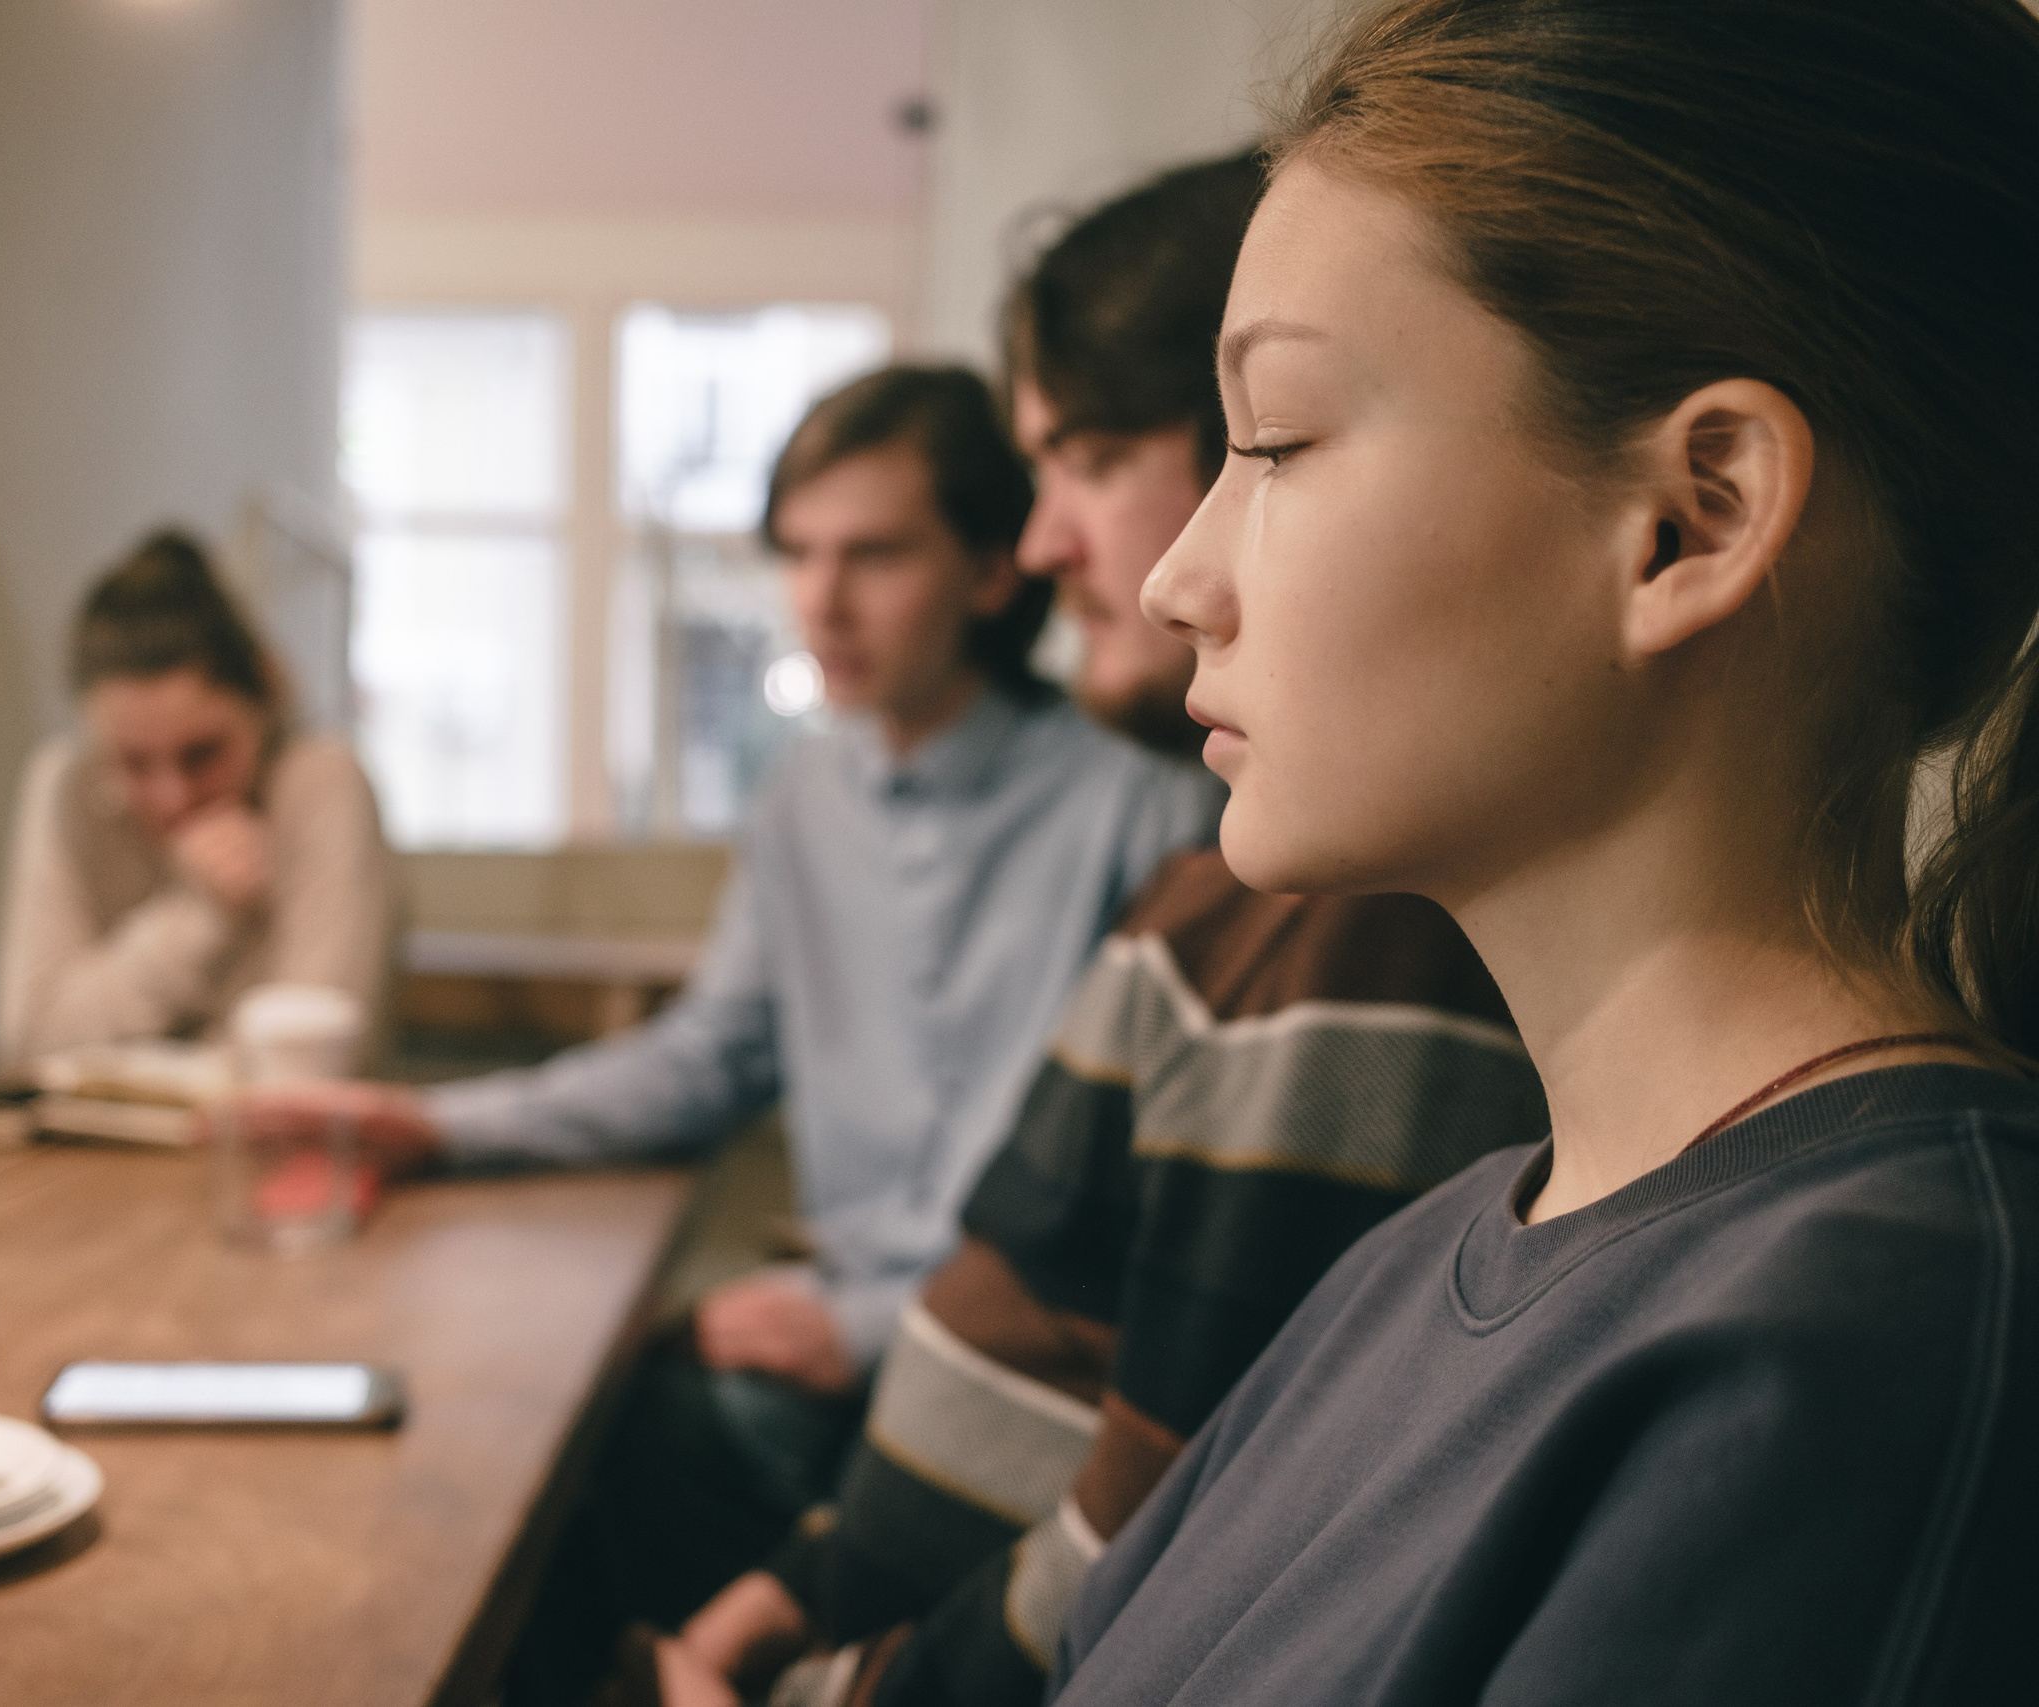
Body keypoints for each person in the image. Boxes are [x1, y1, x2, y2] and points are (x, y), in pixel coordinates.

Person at [1034, 2, 2039, 1702]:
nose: (1174, 580)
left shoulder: (1872, 1346)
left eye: (1275, 443)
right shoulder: (1417, 1261)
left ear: (1693, 517)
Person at [642, 156, 1546, 1707]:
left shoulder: (1316, 916)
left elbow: (1181, 1534)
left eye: (1270, 447)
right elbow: (1060, 1349)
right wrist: (808, 1580)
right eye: (794, 553)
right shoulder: (1209, 897)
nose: (1073, 547)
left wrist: (824, 1673)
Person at [319, 365, 1220, 1703]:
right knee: (517, 1426)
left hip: (1005, 1369)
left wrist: (860, 1325)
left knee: (593, 1458)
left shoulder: (1142, 799)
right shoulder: (803, 793)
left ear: (993, 568)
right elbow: (705, 1058)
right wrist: (433, 1125)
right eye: (797, 554)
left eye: (874, 554)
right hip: (844, 1335)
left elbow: (1133, 1217)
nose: (819, 600)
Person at [0, 529, 398, 1067]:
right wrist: (196, 918)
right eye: (133, 763)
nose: (172, 797)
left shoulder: (321, 782)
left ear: (268, 696)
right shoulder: (68, 783)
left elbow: (312, 1061)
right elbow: (28, 1043)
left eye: (202, 754)